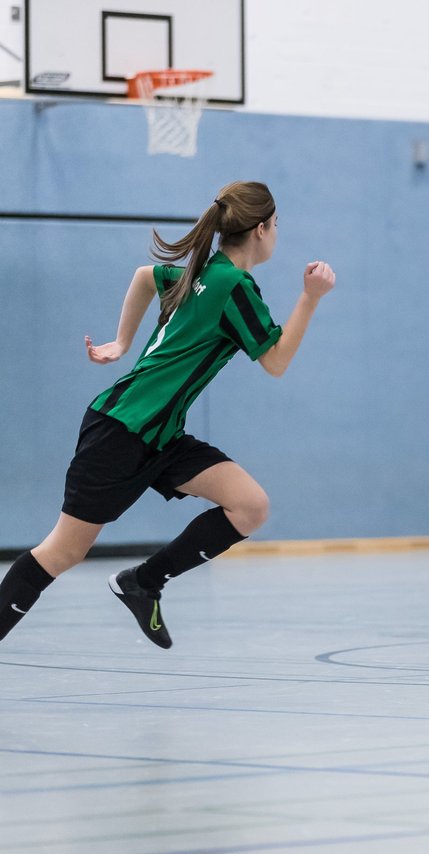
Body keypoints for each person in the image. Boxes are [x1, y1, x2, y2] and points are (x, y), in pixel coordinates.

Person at [0, 181, 336, 649]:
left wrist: (122, 343)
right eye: (277, 224)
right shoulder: (232, 285)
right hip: (120, 431)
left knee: (250, 505)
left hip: (161, 435)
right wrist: (311, 297)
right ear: (261, 229)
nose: (277, 232)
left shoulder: (206, 270)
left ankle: (143, 582)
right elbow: (276, 361)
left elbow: (144, 276)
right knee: (62, 551)